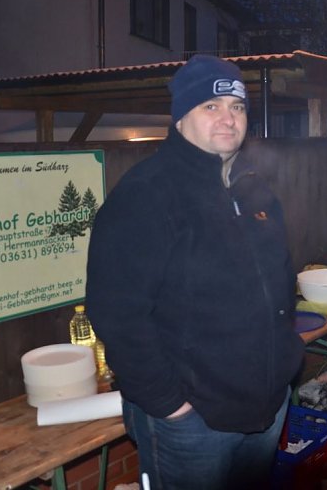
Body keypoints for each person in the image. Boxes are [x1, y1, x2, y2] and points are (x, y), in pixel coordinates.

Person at [85, 55, 305, 489]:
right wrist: (171, 406)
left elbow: (278, 284)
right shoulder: (147, 194)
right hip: (192, 421)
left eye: (237, 107)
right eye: (211, 106)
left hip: (266, 404)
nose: (228, 119)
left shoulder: (253, 188)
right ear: (181, 117)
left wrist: (282, 369)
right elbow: (117, 313)